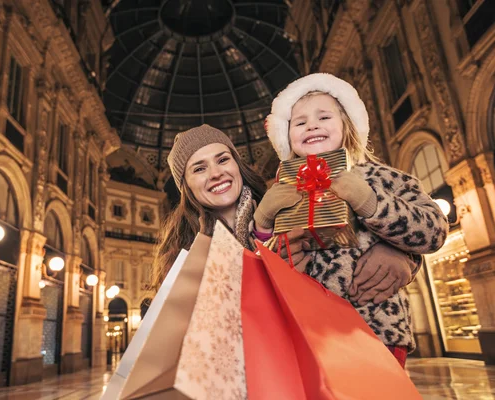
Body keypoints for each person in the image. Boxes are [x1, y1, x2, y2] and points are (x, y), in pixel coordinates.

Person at [259, 73, 449, 367]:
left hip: (377, 329)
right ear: (287, 138)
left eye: (324, 117)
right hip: (308, 331)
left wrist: (371, 204)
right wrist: (269, 234)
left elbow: (434, 230)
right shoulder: (281, 192)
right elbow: (257, 261)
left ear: (347, 126)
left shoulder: (383, 177)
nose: (312, 125)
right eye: (299, 122)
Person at [152, 124, 422, 309]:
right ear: (186, 186)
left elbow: (349, 237)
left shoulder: (288, 201)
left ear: (237, 164)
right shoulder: (182, 251)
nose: (215, 173)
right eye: (199, 168)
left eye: (223, 159)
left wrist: (402, 256)